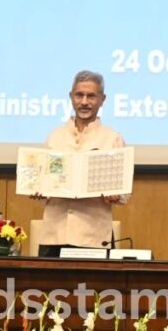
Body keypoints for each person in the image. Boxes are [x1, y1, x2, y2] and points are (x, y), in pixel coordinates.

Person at [34, 70, 127, 257]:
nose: (84, 102)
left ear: (103, 99)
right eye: (79, 95)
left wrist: (115, 194)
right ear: (71, 97)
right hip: (54, 235)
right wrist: (37, 188)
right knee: (49, 287)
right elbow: (39, 181)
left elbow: (123, 192)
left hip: (93, 237)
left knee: (95, 287)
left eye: (91, 96)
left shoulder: (112, 139)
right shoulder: (54, 137)